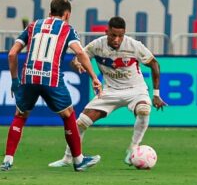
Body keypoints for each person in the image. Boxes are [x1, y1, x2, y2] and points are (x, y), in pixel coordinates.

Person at [48, 16, 166, 168]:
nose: (117, 40)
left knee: (144, 110)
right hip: (110, 91)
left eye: (120, 36)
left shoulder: (134, 45)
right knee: (81, 122)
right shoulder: (97, 45)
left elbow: (155, 64)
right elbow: (78, 58)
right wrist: (76, 63)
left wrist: (156, 94)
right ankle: (68, 158)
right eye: (113, 35)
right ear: (107, 32)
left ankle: (132, 149)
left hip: (135, 90)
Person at [1, 0, 103, 172]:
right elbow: (80, 52)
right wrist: (94, 76)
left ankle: (7, 160)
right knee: (68, 114)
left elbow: (12, 54)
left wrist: (14, 80)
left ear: (50, 13)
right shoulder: (67, 28)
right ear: (67, 15)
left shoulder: (33, 25)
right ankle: (78, 160)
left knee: (20, 115)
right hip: (51, 77)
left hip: (29, 76)